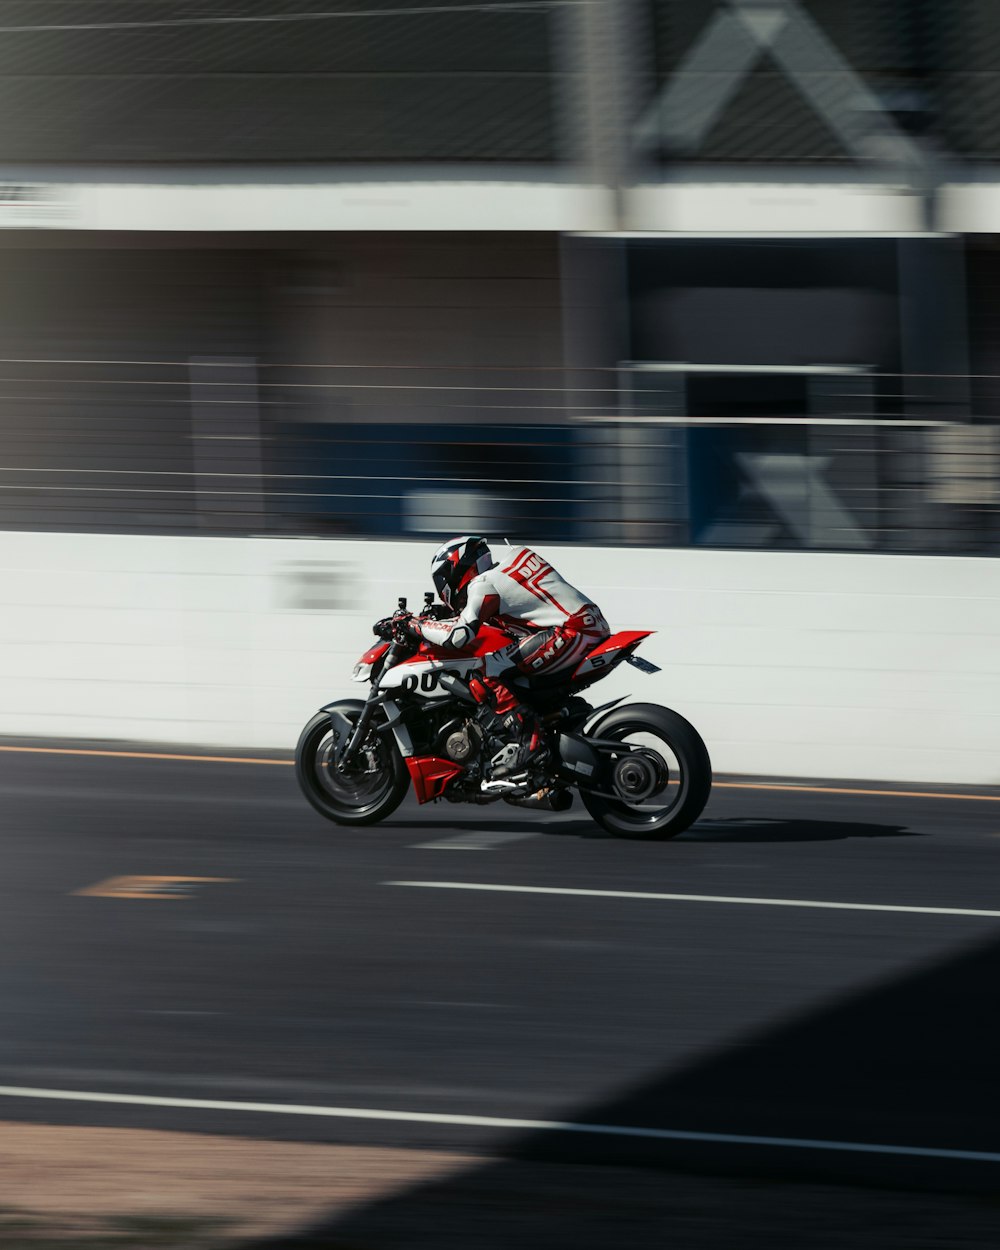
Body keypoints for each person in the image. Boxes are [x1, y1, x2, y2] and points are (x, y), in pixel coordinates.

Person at [408, 536, 610, 781]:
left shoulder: (483, 583)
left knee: (487, 670)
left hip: (571, 632)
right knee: (510, 666)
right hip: (589, 626)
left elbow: (459, 636)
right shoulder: (509, 566)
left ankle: (530, 742)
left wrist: (415, 624)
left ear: (455, 569)